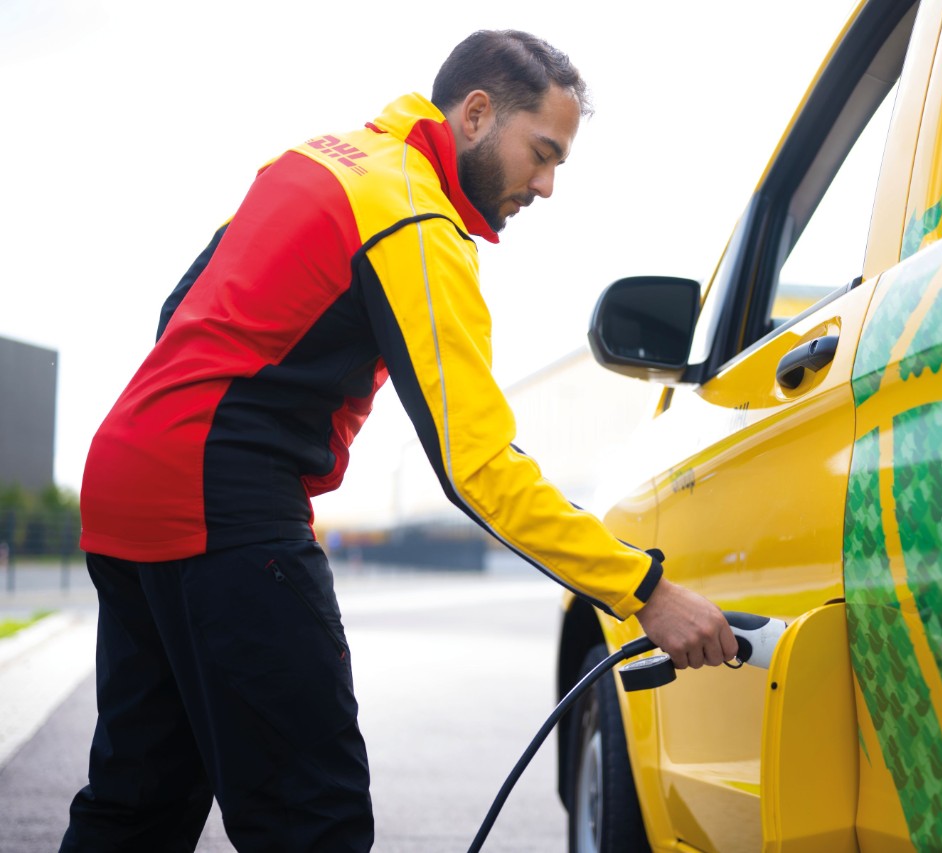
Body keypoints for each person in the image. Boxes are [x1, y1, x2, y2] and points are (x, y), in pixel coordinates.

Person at [61, 30, 736, 853]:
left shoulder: (316, 160)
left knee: (136, 802)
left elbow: (179, 310)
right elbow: (478, 465)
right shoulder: (414, 216)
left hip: (126, 479)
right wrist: (644, 590)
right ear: (477, 114)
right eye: (542, 153)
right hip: (220, 502)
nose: (547, 186)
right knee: (313, 819)